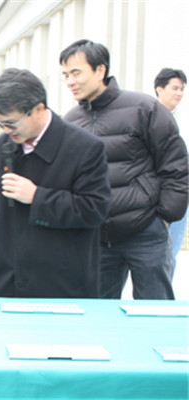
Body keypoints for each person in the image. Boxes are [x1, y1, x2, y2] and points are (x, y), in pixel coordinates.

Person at [0, 68, 111, 297]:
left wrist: (37, 197)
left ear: (38, 109)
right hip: (8, 281)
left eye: (11, 124)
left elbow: (95, 209)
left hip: (63, 283)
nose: (6, 131)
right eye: (0, 124)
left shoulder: (84, 148)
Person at [60, 39, 188, 300]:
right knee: (99, 315)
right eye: (65, 75)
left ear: (100, 70)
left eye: (76, 73)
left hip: (145, 231)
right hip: (97, 238)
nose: (70, 81)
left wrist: (164, 217)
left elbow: (175, 165)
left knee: (154, 311)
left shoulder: (144, 108)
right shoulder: (71, 121)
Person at [154, 68, 187, 273]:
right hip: (156, 192)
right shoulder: (147, 116)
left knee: (171, 251)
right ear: (160, 89)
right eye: (174, 88)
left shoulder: (182, 120)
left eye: (182, 89)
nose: (179, 93)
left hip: (179, 191)